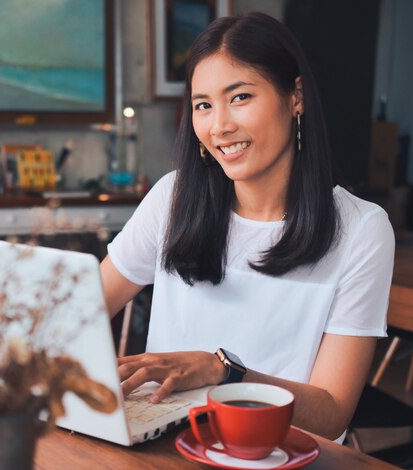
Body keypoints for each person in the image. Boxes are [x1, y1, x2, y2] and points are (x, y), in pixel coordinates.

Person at [101, 12, 394, 441]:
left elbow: (331, 413)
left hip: (277, 454)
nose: (219, 126)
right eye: (203, 105)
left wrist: (223, 373)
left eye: (239, 97)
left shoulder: (361, 230)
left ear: (295, 97)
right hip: (160, 447)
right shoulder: (172, 199)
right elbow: (79, 313)